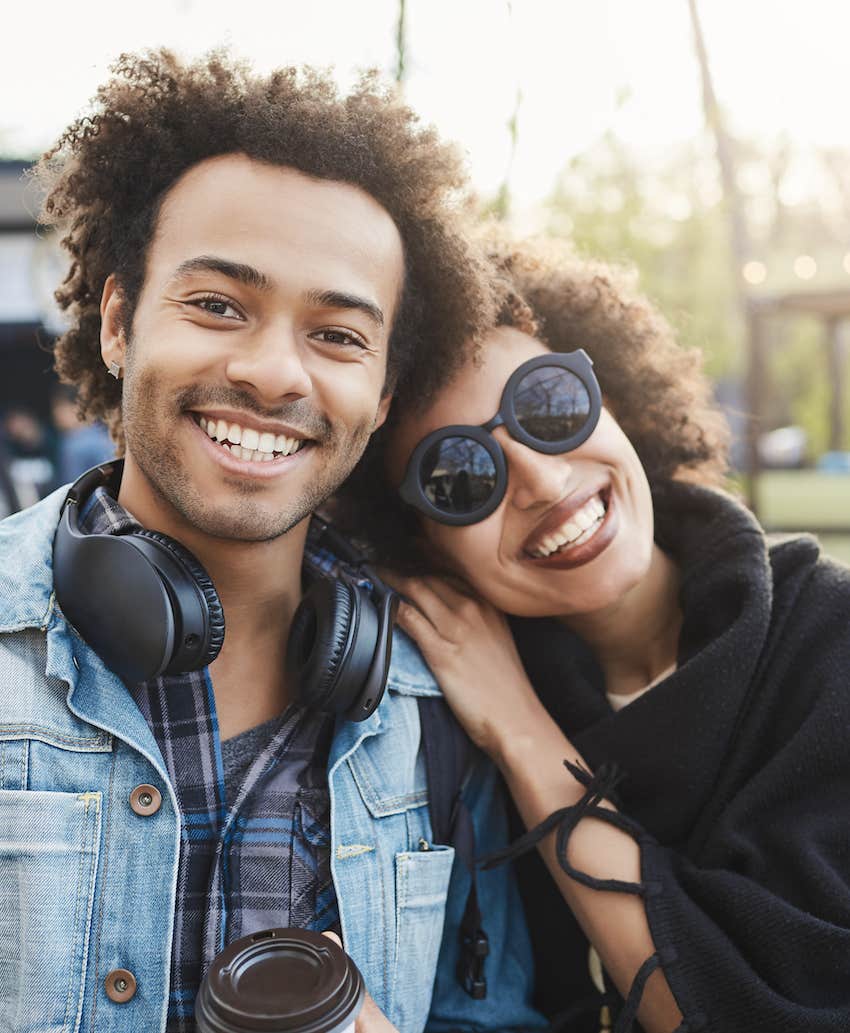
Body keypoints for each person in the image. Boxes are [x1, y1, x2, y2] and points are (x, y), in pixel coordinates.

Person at [0, 53, 547, 1033]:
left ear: (380, 396)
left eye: (337, 335)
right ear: (119, 321)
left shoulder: (441, 711)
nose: (269, 372)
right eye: (217, 306)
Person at [334, 235, 850, 1033]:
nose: (542, 479)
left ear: (610, 395)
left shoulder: (829, 639)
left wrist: (524, 735)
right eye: (461, 476)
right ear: (421, 545)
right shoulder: (430, 722)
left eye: (548, 405)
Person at [49, 382, 114, 487]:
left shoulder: (74, 444)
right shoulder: (106, 435)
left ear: (75, 408)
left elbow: (71, 488)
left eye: (58, 408)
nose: (55, 414)